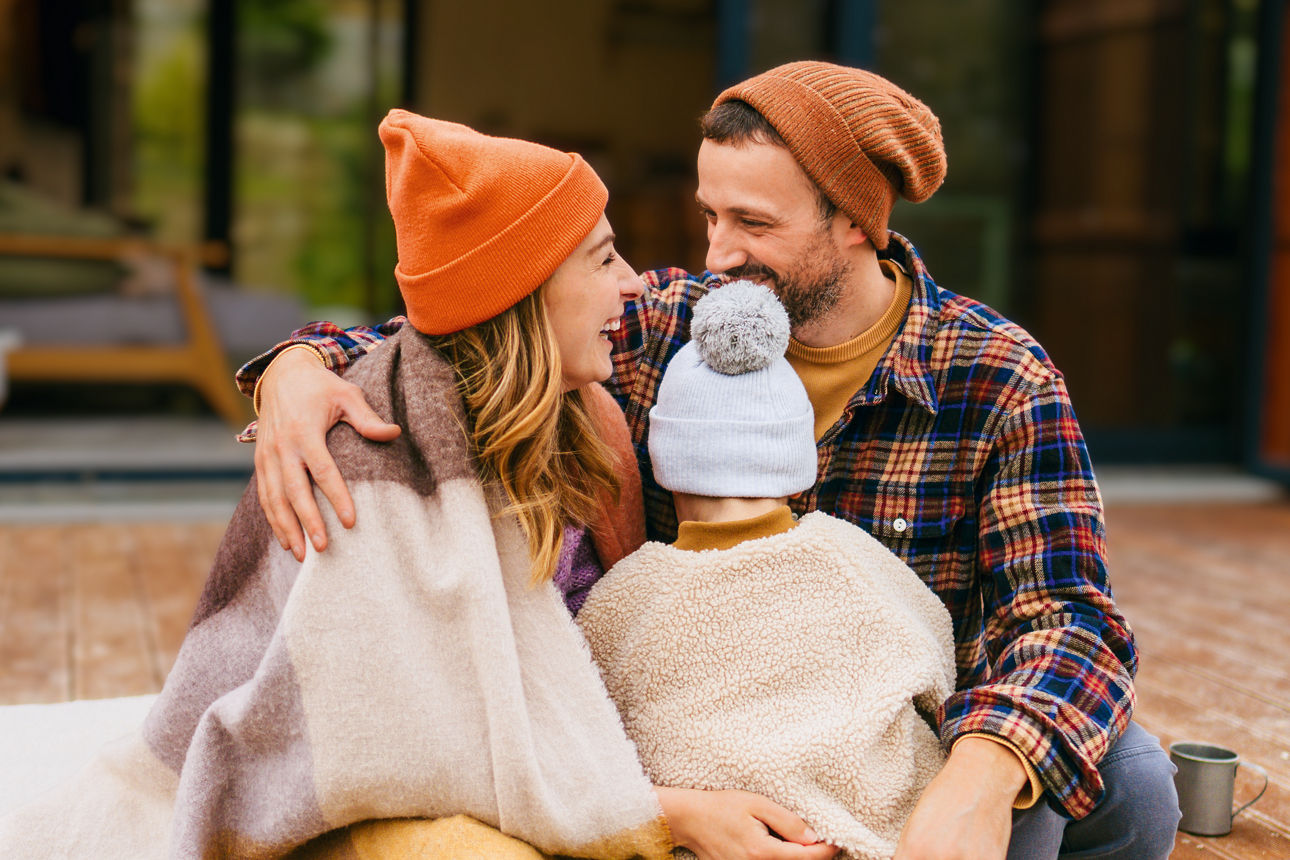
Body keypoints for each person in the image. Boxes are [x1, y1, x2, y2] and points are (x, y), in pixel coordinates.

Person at [237, 63, 1181, 859]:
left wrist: (982, 771)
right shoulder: (661, 324)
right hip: (696, 725)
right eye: (709, 214)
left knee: (1131, 786)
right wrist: (296, 365)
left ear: (855, 221)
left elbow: (1068, 615)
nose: (716, 253)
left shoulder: (996, 375)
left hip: (902, 732)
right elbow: (469, 327)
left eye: (755, 224)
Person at [577, 280, 958, 860]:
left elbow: (583, 719)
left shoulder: (626, 593)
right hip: (868, 835)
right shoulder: (852, 555)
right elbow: (937, 663)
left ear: (665, 466)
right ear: (795, 468)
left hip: (715, 839)